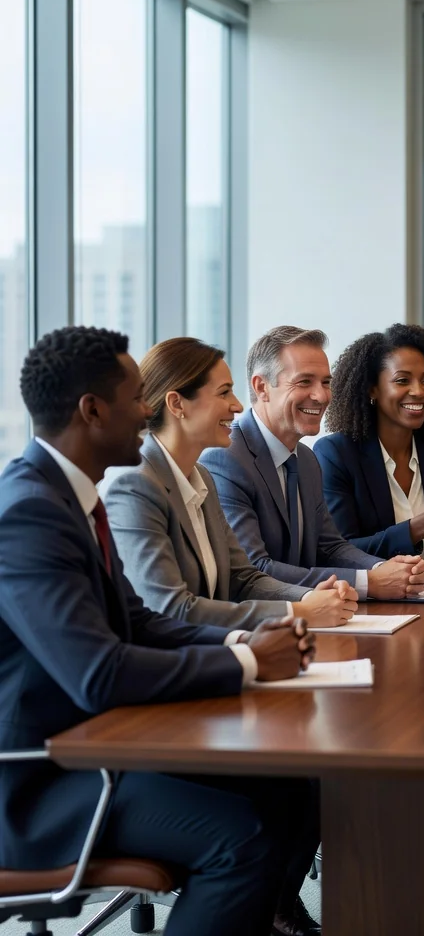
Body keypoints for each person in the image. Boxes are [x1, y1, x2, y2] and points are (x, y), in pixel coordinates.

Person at [0, 326, 319, 936]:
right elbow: (101, 673)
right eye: (135, 398)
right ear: (92, 411)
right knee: (240, 839)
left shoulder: (72, 499)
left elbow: (141, 622)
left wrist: (245, 644)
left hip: (95, 745)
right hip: (38, 784)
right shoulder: (30, 513)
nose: (148, 410)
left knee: (290, 784)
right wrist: (249, 665)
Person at [103, 337, 359, 630]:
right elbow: (170, 609)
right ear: (177, 404)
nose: (237, 406)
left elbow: (242, 578)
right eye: (224, 393)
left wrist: (314, 597)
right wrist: (297, 611)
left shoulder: (201, 478)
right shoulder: (134, 484)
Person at [201, 326, 424, 599]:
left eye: (325, 382)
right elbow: (254, 569)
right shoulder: (225, 458)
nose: (321, 396)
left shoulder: (307, 459)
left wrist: (387, 568)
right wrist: (369, 581)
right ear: (262, 387)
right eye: (304, 382)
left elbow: (330, 547)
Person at [315, 324, 424, 581]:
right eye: (402, 380)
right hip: (371, 603)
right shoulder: (336, 453)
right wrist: (422, 525)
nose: (419, 391)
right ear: (372, 389)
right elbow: (340, 551)